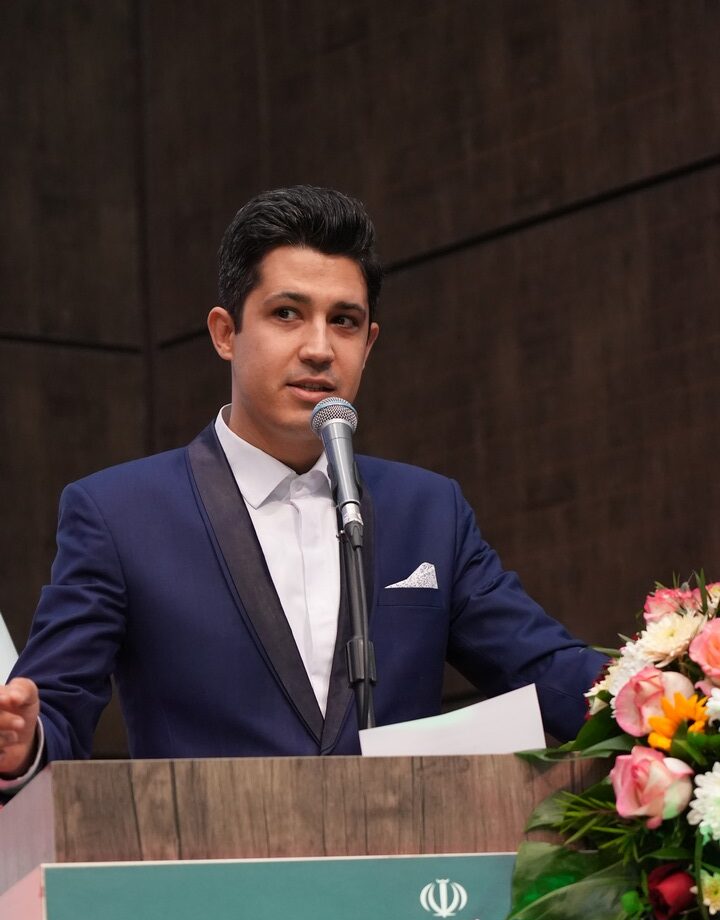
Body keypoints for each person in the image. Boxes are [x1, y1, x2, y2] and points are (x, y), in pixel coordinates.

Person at [0, 185, 604, 791]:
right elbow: (54, 710)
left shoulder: (428, 510)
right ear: (226, 333)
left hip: (406, 849)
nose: (319, 349)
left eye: (344, 321)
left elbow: (547, 670)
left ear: (368, 344)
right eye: (287, 313)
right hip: (204, 850)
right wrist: (22, 744)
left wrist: (657, 695)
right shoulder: (119, 514)